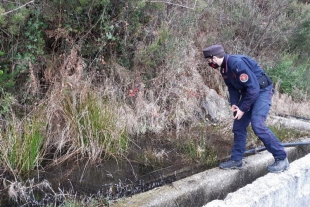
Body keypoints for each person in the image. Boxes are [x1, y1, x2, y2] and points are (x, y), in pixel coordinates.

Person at [202, 44, 289, 173]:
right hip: (249, 92)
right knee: (238, 125)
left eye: (209, 60)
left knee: (258, 125)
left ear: (214, 58)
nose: (209, 63)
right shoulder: (224, 69)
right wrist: (234, 103)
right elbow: (232, 87)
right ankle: (236, 160)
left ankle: (281, 158)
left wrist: (243, 108)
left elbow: (254, 89)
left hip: (262, 91)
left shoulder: (236, 64)